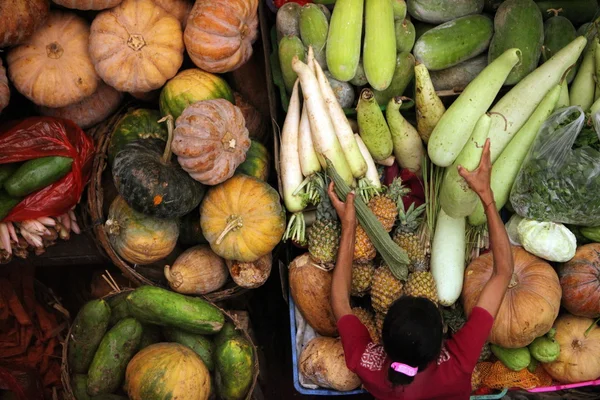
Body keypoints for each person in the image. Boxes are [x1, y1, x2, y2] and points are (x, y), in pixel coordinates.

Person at [328, 139, 514, 400]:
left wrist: (348, 226)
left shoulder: (367, 364)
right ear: (442, 344)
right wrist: (487, 196)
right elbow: (504, 272)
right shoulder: (458, 364)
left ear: (381, 340)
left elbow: (338, 301)